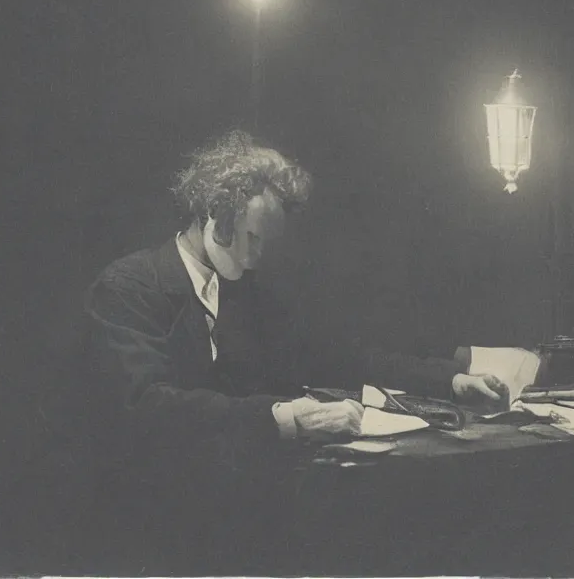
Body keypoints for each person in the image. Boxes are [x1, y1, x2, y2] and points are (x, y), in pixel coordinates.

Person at [80, 129, 506, 574]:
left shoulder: (252, 296)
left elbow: (345, 357)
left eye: (266, 242)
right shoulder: (129, 286)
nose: (257, 256)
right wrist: (284, 416)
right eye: (251, 238)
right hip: (148, 533)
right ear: (212, 211)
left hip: (241, 523)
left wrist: (451, 381)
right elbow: (145, 406)